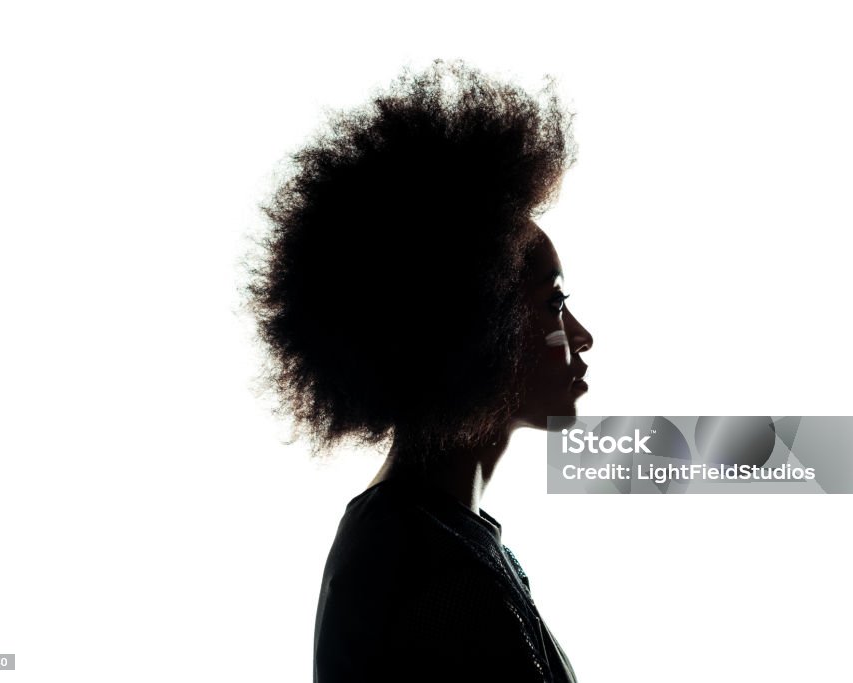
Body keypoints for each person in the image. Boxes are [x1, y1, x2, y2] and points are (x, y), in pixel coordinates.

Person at [246, 59, 593, 682]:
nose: (581, 336)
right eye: (553, 304)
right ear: (470, 320)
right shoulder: (433, 572)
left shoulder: (425, 539)